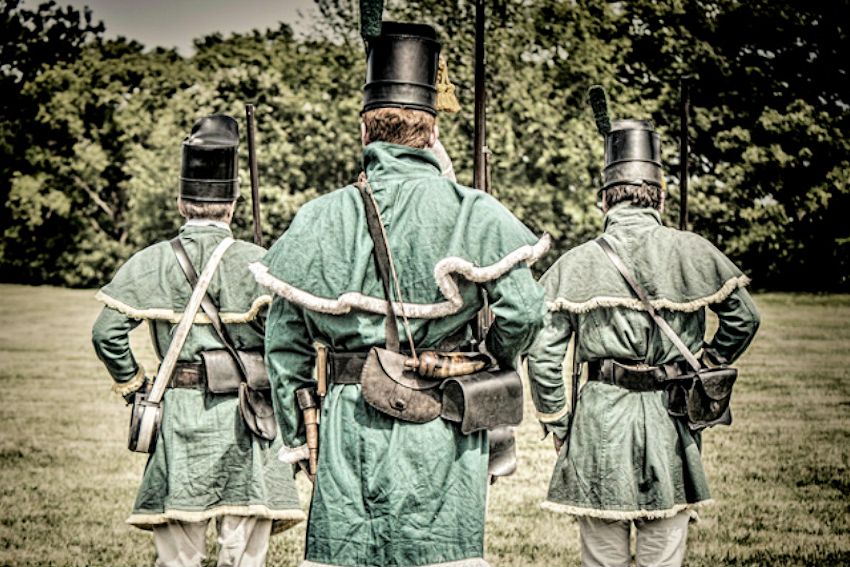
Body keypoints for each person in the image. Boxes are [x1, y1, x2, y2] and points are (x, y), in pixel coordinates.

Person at [251, 22, 548, 567]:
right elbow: (525, 313)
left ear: (365, 132)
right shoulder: (472, 210)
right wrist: (487, 366)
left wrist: (301, 435)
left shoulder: (317, 217)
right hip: (446, 417)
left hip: (343, 425)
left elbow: (285, 342)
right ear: (431, 132)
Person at [527, 119, 761, 567]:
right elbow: (744, 319)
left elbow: (542, 351)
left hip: (598, 424)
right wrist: (707, 361)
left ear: (603, 200)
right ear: (661, 195)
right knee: (662, 559)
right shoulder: (694, 250)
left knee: (603, 561)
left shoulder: (576, 262)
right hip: (672, 416)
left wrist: (558, 424)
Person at [91, 115, 304, 567]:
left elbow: (106, 333)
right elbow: (291, 343)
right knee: (243, 559)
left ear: (181, 202)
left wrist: (134, 385)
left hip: (179, 417)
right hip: (250, 419)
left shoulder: (150, 262)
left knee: (177, 561)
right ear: (232, 206)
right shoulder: (261, 262)